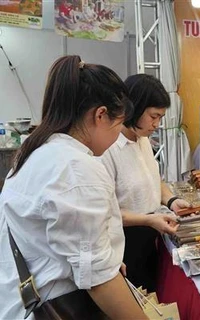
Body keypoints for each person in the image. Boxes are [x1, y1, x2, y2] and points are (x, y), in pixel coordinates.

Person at [0, 56, 147, 319]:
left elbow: (59, 241)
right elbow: (98, 280)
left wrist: (102, 259)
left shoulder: (36, 151)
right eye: (118, 124)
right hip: (53, 306)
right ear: (101, 115)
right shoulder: (76, 168)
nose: (116, 138)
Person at [100, 73, 191, 292]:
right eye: (153, 116)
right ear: (134, 107)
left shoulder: (142, 139)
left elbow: (153, 178)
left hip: (151, 232)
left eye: (160, 117)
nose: (157, 124)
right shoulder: (107, 149)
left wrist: (171, 200)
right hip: (125, 242)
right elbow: (106, 211)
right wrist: (148, 220)